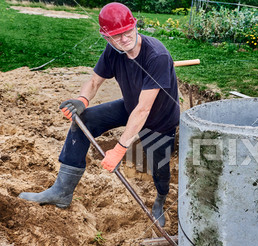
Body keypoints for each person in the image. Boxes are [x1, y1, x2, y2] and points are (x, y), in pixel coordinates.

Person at [18, 2, 179, 227]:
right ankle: (61, 192)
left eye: (127, 31)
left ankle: (160, 201)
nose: (124, 39)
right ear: (106, 38)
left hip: (159, 119)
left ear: (135, 26)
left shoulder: (157, 56)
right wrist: (82, 100)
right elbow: (94, 81)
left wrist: (120, 148)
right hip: (130, 106)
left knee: (159, 167)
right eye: (116, 36)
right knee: (83, 120)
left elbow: (144, 109)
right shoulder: (114, 51)